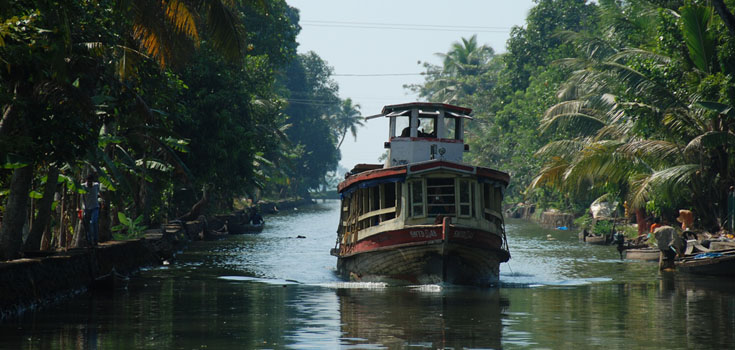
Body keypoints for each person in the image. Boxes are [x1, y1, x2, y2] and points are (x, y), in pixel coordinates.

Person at [82, 173, 101, 246]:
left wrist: (101, 200)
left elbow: (99, 193)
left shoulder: (96, 185)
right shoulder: (83, 186)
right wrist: (79, 207)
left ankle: (95, 240)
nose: (90, 183)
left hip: (95, 207)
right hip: (87, 208)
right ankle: (89, 241)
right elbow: (80, 196)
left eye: (91, 182)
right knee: (87, 225)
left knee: (94, 222)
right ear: (86, 181)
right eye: (88, 182)